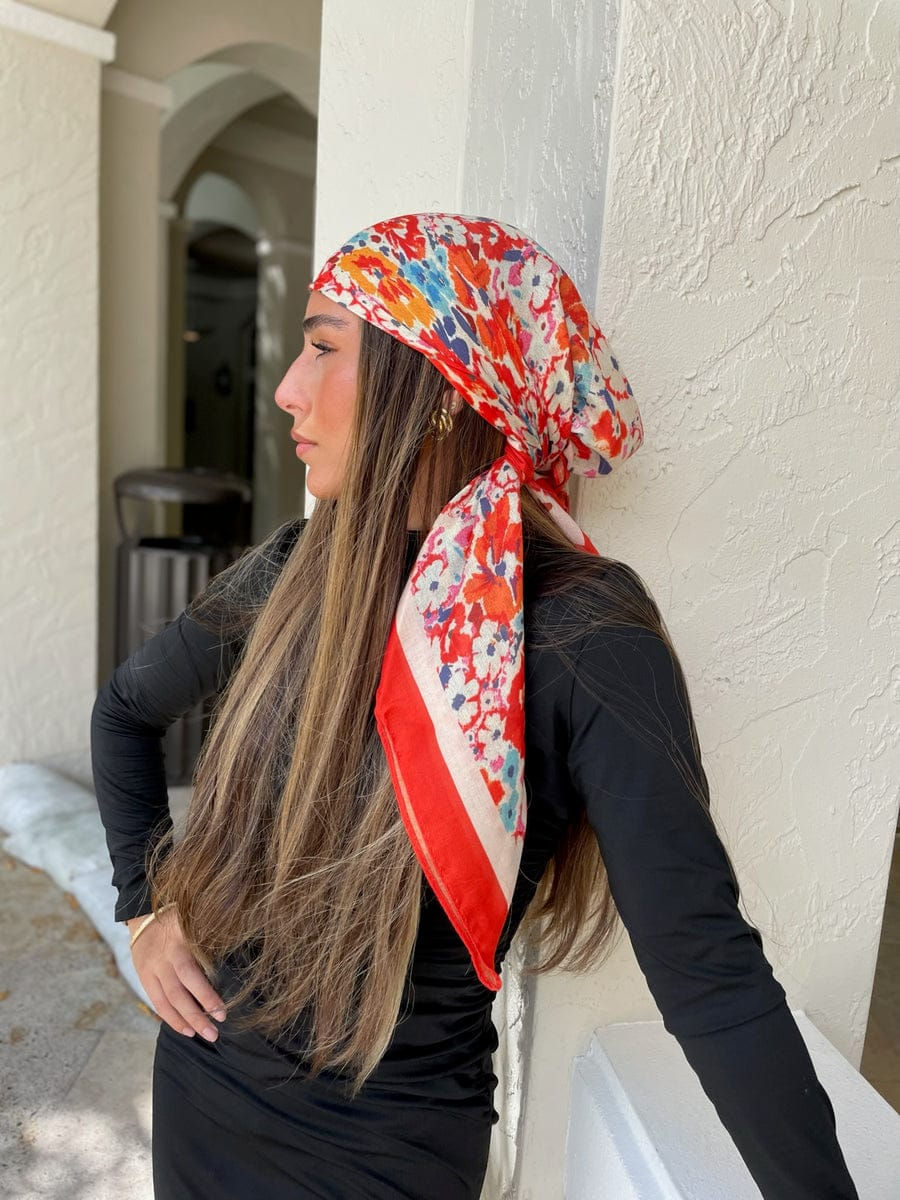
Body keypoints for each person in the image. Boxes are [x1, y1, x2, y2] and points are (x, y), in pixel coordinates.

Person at [91, 212, 859, 1199]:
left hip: (387, 1152)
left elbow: (712, 980)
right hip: (204, 1096)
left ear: (441, 392)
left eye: (324, 348)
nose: (287, 388)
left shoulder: (582, 632)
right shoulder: (293, 571)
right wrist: (144, 909)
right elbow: (125, 712)